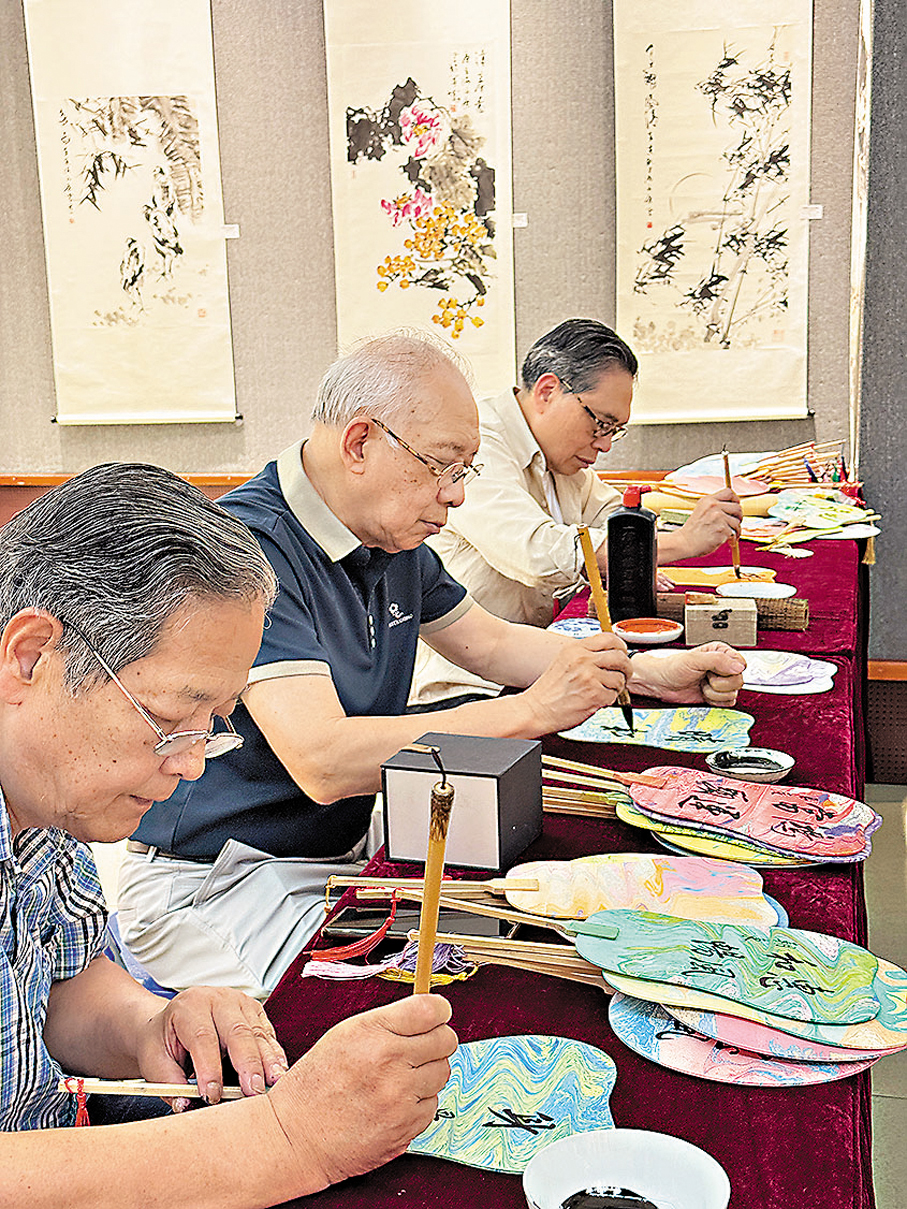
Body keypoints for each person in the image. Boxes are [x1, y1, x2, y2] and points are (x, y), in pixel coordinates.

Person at [122, 331, 746, 999]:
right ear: (360, 443)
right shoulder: (248, 551)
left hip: (337, 851)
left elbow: (492, 643)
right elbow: (323, 759)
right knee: (398, 1015)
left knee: (524, 952)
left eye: (464, 470)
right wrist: (531, 710)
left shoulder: (387, 534)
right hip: (217, 876)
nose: (456, 496)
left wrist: (646, 671)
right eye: (442, 465)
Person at [0, 463, 456, 1207]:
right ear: (31, 657)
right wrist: (282, 1143)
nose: (188, 764)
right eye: (168, 719)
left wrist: (150, 1024)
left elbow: (57, 983)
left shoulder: (51, 799)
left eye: (210, 724)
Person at [411, 317, 745, 706]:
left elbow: (614, 513)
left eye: (614, 431)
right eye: (601, 424)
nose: (605, 445)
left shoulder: (562, 459)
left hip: (533, 662)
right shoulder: (477, 443)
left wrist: (640, 555)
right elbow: (535, 553)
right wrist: (680, 542)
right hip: (467, 687)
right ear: (549, 390)